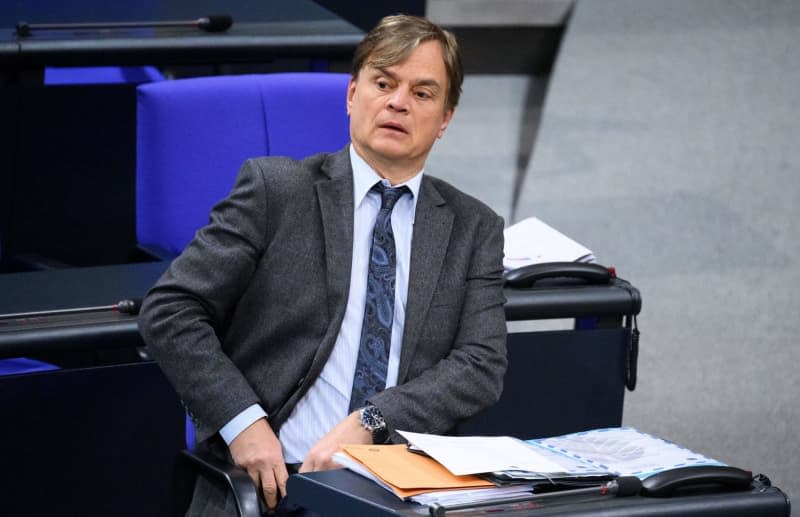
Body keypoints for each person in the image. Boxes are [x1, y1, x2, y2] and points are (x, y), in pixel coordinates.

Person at [139, 14, 508, 516]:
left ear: (445, 118)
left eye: (423, 93)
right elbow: (171, 309)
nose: (398, 102)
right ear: (352, 94)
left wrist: (373, 419)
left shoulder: (473, 227)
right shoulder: (278, 191)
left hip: (400, 491)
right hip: (275, 485)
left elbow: (481, 364)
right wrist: (241, 421)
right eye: (384, 83)